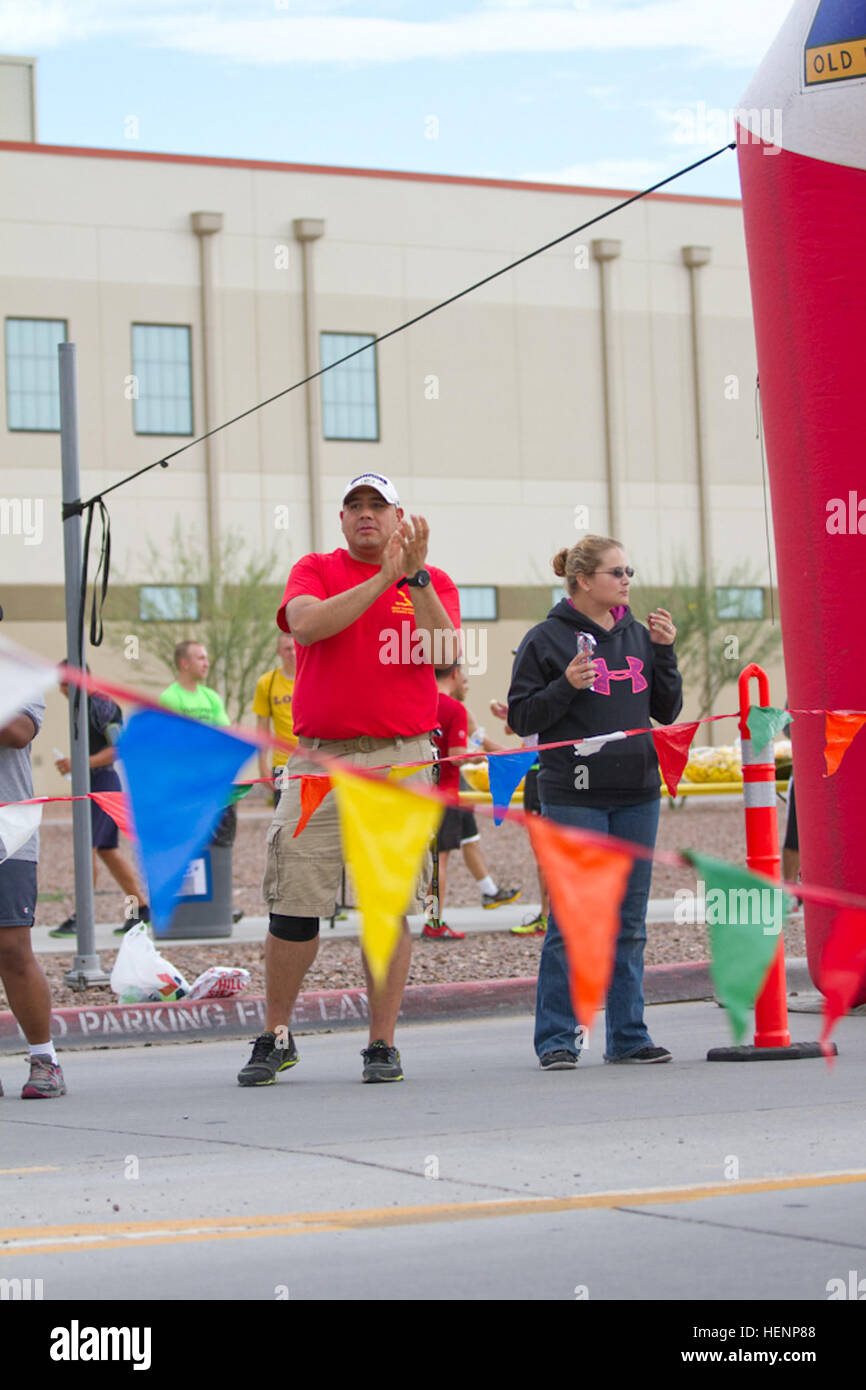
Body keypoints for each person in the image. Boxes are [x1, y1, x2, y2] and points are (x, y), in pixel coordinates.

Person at [238, 472, 460, 1087]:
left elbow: (443, 652)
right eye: (355, 506)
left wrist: (409, 577)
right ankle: (276, 1035)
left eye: (378, 506)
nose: (366, 514)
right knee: (292, 904)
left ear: (399, 517)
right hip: (319, 761)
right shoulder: (314, 567)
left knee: (387, 908)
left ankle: (381, 1045)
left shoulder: (431, 580)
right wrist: (382, 579)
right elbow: (305, 626)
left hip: (400, 759)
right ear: (342, 520)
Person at [508, 534, 682, 1069]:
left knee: (629, 923)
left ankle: (628, 1035)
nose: (627, 579)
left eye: (629, 570)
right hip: (574, 796)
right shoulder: (546, 640)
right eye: (616, 572)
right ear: (584, 581)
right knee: (574, 920)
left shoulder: (637, 634)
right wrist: (565, 686)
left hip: (637, 794)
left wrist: (664, 652)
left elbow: (667, 712)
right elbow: (521, 718)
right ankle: (557, 1039)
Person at [0, 695, 67, 1098]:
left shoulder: (18, 676)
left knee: (11, 948)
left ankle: (45, 1060)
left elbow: (15, 731)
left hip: (8, 835)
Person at [424, 662, 519, 940]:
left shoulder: (419, 703)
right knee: (440, 860)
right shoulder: (455, 710)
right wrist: (476, 756)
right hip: (446, 793)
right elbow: (456, 754)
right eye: (464, 675)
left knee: (456, 847)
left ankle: (488, 890)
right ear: (454, 674)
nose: (466, 681)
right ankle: (434, 921)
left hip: (420, 789)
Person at [51, 670, 150, 938]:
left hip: (103, 785)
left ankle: (83, 916)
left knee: (87, 848)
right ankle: (140, 907)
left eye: (63, 683)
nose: (60, 689)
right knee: (107, 850)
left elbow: (117, 748)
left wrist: (80, 763)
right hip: (92, 784)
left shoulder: (103, 706)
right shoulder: (80, 707)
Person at [490, 694, 549, 935]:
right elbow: (511, 728)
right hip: (538, 769)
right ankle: (550, 915)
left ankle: (549, 917)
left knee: (546, 851)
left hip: (542, 770)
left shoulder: (545, 686)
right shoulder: (536, 687)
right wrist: (511, 715)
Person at [252, 632, 297, 807]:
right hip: (282, 765)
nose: (292, 653)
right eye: (287, 649)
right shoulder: (267, 683)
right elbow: (262, 729)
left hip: (312, 763)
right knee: (283, 816)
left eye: (295, 648)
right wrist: (262, 766)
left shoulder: (311, 677)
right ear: (278, 651)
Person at [159, 641, 231, 726]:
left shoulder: (212, 697)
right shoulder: (170, 698)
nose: (207, 664)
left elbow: (225, 733)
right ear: (185, 664)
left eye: (206, 659)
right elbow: (174, 735)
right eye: (201, 658)